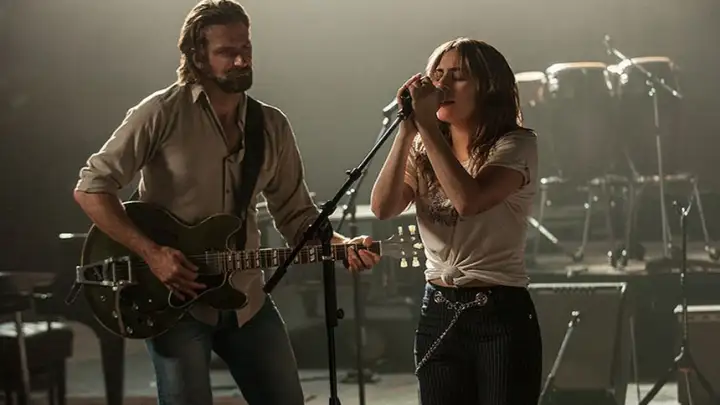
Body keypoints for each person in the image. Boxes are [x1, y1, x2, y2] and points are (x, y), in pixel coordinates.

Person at [72, 1, 380, 404]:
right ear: (197, 57)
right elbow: (91, 188)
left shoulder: (271, 125)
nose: (241, 60)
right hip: (174, 302)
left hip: (247, 300)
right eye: (226, 52)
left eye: (245, 48)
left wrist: (340, 246)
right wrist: (152, 254)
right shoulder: (160, 113)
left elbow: (296, 214)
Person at [370, 37, 542, 405]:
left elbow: (470, 201)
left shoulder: (516, 145)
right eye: (437, 74)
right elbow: (383, 208)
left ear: (488, 87)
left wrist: (427, 128)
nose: (443, 85)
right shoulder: (424, 145)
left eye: (458, 76)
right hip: (437, 308)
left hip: (498, 312)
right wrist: (406, 132)